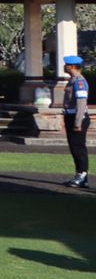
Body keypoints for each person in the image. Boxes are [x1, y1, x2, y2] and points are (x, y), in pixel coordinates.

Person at [61, 55, 89, 188]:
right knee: (74, 147)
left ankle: (82, 174)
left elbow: (81, 103)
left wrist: (78, 123)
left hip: (78, 118)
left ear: (71, 66)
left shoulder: (79, 82)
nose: (64, 66)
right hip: (71, 116)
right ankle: (80, 174)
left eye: (66, 64)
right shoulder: (73, 80)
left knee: (78, 148)